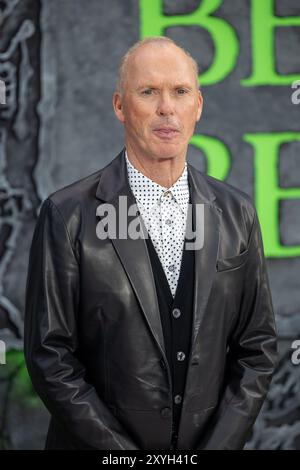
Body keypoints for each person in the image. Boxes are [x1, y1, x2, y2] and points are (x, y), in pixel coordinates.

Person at [24, 36, 278, 450]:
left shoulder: (238, 213)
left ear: (197, 105)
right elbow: (50, 357)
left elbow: (257, 349)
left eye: (180, 92)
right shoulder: (66, 214)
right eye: (148, 92)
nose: (166, 108)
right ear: (120, 106)